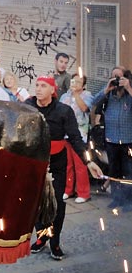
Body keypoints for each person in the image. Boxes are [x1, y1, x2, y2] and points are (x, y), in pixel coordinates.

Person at [27, 76, 103, 260]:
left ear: (52, 90)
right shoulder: (27, 105)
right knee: (36, 204)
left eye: (43, 86)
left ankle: (55, 242)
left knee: (57, 204)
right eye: (36, 85)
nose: (38, 89)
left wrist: (89, 161)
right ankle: (42, 237)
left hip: (57, 164)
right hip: (35, 162)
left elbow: (76, 139)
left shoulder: (64, 110)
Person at [90, 67, 132, 210]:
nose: (117, 80)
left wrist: (129, 87)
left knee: (128, 171)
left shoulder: (129, 94)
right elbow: (92, 102)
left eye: (119, 77)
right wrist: (106, 89)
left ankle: (128, 201)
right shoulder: (108, 93)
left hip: (128, 141)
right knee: (114, 172)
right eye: (114, 77)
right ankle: (116, 198)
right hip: (111, 139)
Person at [59, 74, 94, 203]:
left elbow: (85, 108)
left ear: (83, 85)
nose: (75, 83)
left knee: (80, 164)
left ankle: (84, 193)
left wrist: (76, 95)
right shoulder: (64, 96)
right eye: (74, 81)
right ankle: (69, 190)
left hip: (80, 135)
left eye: (79, 82)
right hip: (65, 133)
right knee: (68, 164)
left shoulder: (87, 95)